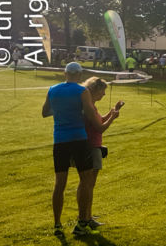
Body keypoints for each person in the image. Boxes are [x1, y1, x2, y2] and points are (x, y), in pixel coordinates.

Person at [42, 62, 103, 236]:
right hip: (78, 139)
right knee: (86, 180)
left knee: (59, 183)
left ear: (65, 73)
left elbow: (45, 112)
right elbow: (90, 115)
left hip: (59, 140)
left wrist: (62, 110)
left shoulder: (52, 89)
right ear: (80, 75)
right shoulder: (81, 91)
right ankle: (82, 221)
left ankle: (57, 225)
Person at [81, 77, 123, 229]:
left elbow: (99, 121)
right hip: (92, 146)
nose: (104, 94)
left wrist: (113, 111)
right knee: (88, 185)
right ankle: (86, 217)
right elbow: (100, 128)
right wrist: (112, 117)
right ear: (94, 90)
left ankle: (88, 215)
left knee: (89, 185)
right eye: (102, 91)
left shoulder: (91, 106)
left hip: (93, 145)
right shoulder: (89, 107)